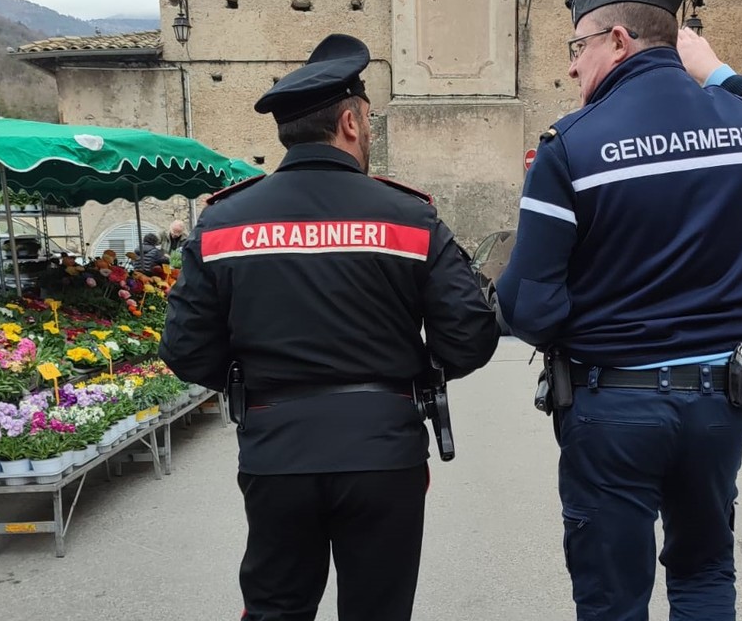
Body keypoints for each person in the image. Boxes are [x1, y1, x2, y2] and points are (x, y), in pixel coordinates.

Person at [496, 0, 742, 621]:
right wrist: (716, 69)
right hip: (720, 400)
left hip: (614, 405)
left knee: (613, 597)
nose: (573, 67)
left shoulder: (571, 146)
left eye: (578, 46)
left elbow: (528, 307)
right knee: (705, 572)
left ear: (618, 40)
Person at [158, 33, 499, 621]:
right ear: (348, 122)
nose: (370, 133)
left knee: (275, 610)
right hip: (383, 452)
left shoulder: (223, 222)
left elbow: (185, 348)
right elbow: (469, 335)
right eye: (369, 121)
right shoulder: (410, 217)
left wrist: (251, 381)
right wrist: (413, 371)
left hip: (275, 451)